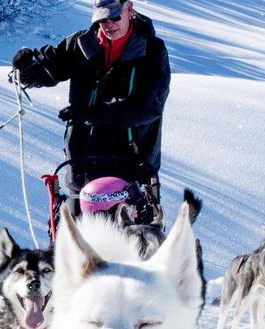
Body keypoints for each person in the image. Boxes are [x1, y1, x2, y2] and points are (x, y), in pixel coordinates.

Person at [11, 0, 170, 219]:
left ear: (129, 9)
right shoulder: (81, 44)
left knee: (133, 247)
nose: (109, 24)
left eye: (115, 16)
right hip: (83, 165)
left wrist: (94, 113)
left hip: (132, 167)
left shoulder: (152, 50)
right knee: (80, 245)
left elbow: (148, 107)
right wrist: (28, 69)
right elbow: (50, 69)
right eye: (102, 18)